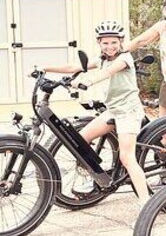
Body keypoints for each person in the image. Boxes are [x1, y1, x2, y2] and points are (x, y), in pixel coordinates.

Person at [42, 21, 149, 205]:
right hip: (113, 110)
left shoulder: (124, 59)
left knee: (127, 157)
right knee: (80, 140)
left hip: (128, 112)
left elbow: (107, 73)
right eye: (105, 43)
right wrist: (45, 68)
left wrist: (87, 82)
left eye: (114, 42)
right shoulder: (101, 59)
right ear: (99, 43)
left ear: (121, 42)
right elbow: (73, 67)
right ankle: (94, 179)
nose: (110, 46)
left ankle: (146, 202)